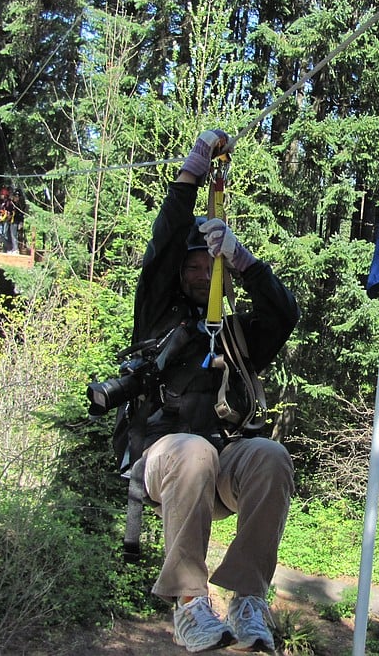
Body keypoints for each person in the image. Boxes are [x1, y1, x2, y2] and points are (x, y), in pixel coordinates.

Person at [131, 129, 299, 652]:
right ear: (181, 274)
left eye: (213, 267)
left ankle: (248, 597)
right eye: (195, 267)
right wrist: (191, 175)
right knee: (193, 450)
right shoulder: (159, 316)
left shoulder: (233, 333)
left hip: (217, 468)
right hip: (164, 461)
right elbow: (161, 248)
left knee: (270, 455)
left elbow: (284, 314)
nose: (205, 275)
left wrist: (246, 263)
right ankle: (188, 603)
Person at [0, 187, 18, 253]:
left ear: (4, 195)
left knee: (4, 234)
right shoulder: (3, 203)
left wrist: (4, 218)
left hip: (6, 221)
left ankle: (10, 248)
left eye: (1, 194)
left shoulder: (9, 203)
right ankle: (8, 247)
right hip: (2, 221)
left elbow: (9, 213)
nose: (0, 195)